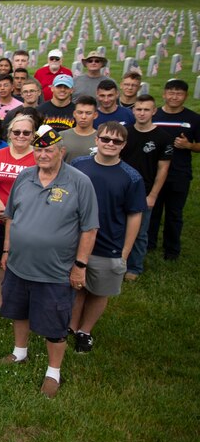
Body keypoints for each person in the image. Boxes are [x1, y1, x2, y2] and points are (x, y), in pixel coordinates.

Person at [0, 125, 98, 398]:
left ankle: (53, 372)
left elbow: (89, 229)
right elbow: (12, 217)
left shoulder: (79, 182)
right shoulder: (25, 177)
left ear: (61, 152)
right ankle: (20, 353)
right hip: (19, 263)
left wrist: (80, 265)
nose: (43, 155)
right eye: (39, 150)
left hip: (56, 269)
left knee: (54, 323)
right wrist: (7, 250)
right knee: (18, 310)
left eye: (49, 150)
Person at [68, 123, 145, 353]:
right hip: (76, 240)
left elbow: (134, 216)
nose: (110, 144)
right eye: (106, 139)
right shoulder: (78, 165)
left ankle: (86, 331)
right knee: (77, 286)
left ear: (124, 145)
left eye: (117, 141)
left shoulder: (131, 177)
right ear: (96, 140)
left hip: (109, 243)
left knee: (99, 291)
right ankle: (70, 327)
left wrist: (125, 252)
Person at [0, 113, 38, 312]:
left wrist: (15, 213)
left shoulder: (39, 157)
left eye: (26, 132)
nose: (21, 135)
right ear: (9, 133)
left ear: (33, 135)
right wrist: (2, 210)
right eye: (16, 132)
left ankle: (24, 300)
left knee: (25, 261)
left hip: (28, 220)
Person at [121, 94, 172, 280]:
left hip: (145, 189)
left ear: (154, 111)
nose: (142, 113)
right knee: (119, 227)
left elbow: (163, 168)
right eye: (138, 109)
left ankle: (134, 267)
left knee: (140, 231)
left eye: (146, 110)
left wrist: (153, 195)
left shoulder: (162, 137)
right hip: (122, 188)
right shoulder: (125, 133)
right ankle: (118, 263)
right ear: (133, 111)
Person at [149, 78, 200, 261]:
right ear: (164, 94)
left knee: (174, 213)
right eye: (171, 93)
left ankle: (171, 249)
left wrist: (189, 145)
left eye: (179, 94)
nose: (174, 97)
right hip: (153, 172)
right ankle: (149, 243)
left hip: (179, 172)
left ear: (185, 96)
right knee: (152, 210)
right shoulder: (154, 116)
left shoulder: (193, 119)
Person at [59, 96, 99, 162]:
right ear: (74, 114)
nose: (83, 117)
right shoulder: (62, 136)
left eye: (88, 113)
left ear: (95, 115)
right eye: (80, 112)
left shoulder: (102, 138)